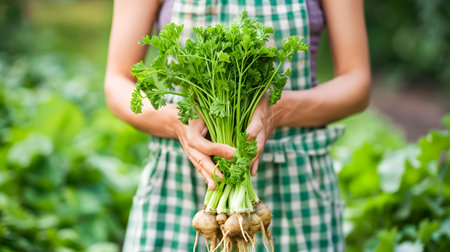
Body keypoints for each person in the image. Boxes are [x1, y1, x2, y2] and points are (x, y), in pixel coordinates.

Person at [104, 0, 370, 251]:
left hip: (298, 187)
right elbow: (117, 81)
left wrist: (277, 111)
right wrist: (177, 122)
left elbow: (357, 83)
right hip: (176, 187)